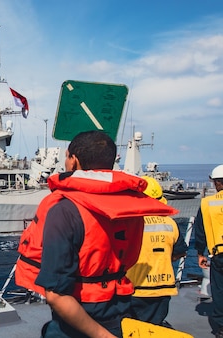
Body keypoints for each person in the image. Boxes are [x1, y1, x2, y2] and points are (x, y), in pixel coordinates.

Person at [15, 130, 177, 337]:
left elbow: (56, 295)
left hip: (78, 316)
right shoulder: (132, 205)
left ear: (73, 161)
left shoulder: (65, 210)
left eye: (67, 157)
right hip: (119, 306)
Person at [126, 176, 188, 326]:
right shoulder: (170, 223)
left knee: (132, 327)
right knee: (155, 326)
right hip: (163, 287)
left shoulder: (128, 222)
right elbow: (180, 251)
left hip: (135, 287)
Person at [195, 164, 223, 337]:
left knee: (219, 291)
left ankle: (220, 327)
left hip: (219, 255)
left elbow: (200, 231)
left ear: (217, 183)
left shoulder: (207, 203)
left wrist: (200, 253)